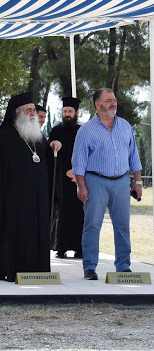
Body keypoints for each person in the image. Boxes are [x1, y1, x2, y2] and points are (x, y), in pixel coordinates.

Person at [0, 92, 55, 282]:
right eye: (29, 110)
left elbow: (46, 161)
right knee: (16, 233)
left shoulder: (38, 136)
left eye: (34, 110)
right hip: (13, 199)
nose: (33, 113)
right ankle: (12, 268)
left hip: (38, 198)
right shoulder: (4, 137)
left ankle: (38, 270)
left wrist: (54, 147)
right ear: (17, 112)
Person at [72, 88, 142, 280]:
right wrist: (81, 186)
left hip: (121, 181)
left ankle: (123, 266)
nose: (113, 103)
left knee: (122, 226)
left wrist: (137, 181)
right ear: (97, 104)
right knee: (92, 225)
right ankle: (90, 267)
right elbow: (78, 162)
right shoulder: (86, 130)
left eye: (114, 100)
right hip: (95, 181)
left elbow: (134, 156)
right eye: (108, 100)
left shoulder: (126, 126)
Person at [48, 97, 83, 259]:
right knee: (60, 213)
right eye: (65, 111)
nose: (67, 114)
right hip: (61, 178)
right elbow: (52, 155)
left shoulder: (82, 131)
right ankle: (60, 247)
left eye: (70, 111)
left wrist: (76, 170)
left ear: (76, 113)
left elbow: (86, 153)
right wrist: (66, 170)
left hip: (79, 178)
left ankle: (78, 247)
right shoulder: (56, 132)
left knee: (78, 213)